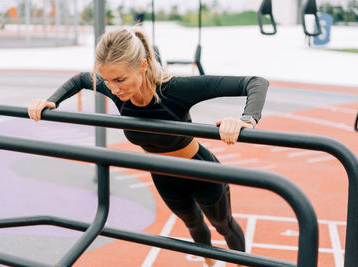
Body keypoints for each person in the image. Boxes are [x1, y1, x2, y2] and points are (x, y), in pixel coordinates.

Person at [28, 28, 268, 267]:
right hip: (164, 176)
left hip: (202, 172)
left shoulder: (174, 90)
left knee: (223, 225)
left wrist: (245, 120)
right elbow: (81, 79)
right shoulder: (117, 90)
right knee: (194, 225)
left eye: (120, 79)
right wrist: (51, 100)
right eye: (107, 80)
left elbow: (256, 82)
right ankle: (210, 263)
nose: (113, 88)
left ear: (142, 66)